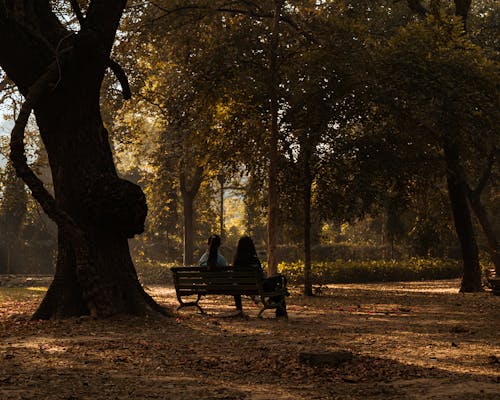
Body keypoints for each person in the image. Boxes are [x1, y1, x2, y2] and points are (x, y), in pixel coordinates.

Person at [232, 236, 287, 317]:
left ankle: (239, 308)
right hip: (258, 287)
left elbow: (235, 278)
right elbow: (261, 276)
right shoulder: (254, 260)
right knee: (278, 281)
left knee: (274, 283)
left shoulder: (236, 261)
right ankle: (280, 311)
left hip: (241, 287)